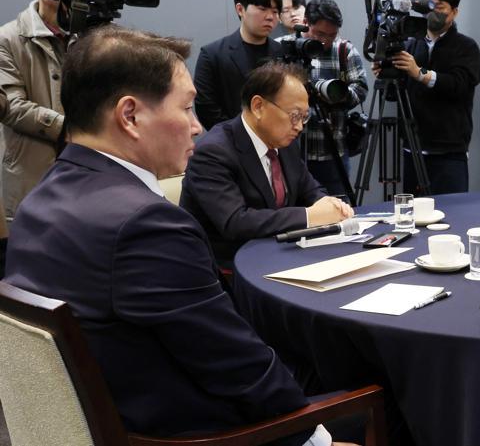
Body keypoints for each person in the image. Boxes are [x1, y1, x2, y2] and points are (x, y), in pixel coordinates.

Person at [3, 25, 354, 445]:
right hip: (197, 432)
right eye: (187, 108)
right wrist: (317, 439)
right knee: (383, 397)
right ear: (130, 116)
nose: (197, 127)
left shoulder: (37, 202)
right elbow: (238, 368)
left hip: (119, 415)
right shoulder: (145, 225)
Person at [181, 62, 353, 266]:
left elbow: (310, 190)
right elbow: (236, 222)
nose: (299, 126)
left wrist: (331, 205)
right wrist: (309, 216)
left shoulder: (285, 143)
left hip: (282, 255)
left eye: (304, 117)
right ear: (258, 106)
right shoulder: (213, 152)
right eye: (294, 115)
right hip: (230, 267)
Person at [373, 0, 480, 195]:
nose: (433, 13)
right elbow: (397, 95)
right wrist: (385, 75)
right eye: (429, 6)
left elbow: (460, 85)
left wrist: (420, 74)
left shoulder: (467, 47)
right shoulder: (410, 45)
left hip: (449, 150)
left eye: (440, 7)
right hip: (413, 147)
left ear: (454, 12)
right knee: (413, 210)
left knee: (453, 209)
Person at [0, 0, 69, 218]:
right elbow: (11, 106)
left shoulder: (90, 36)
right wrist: (70, 129)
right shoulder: (8, 39)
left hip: (88, 170)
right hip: (33, 173)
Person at [296, 0, 368, 197]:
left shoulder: (344, 50)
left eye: (332, 35)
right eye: (320, 34)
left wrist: (336, 95)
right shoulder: (288, 48)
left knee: (339, 207)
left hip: (333, 151)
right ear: (306, 22)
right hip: (294, 153)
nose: (326, 41)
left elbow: (361, 89)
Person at [194, 0, 283, 130]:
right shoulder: (212, 54)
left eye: (275, 12)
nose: (270, 17)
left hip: (276, 137)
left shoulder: (283, 52)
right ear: (240, 9)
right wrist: (238, 135)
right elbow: (206, 108)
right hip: (230, 138)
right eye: (262, 9)